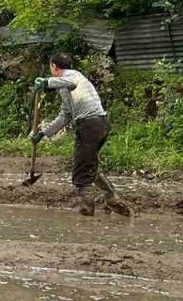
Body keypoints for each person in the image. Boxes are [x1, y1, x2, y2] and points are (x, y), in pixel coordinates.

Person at [31, 53, 133, 217]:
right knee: (89, 165)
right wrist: (43, 133)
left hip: (90, 125)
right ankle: (111, 198)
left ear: (53, 66)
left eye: (51, 69)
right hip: (97, 125)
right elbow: (65, 116)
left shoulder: (73, 76)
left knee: (81, 171)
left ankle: (87, 210)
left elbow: (70, 81)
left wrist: (47, 82)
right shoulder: (64, 89)